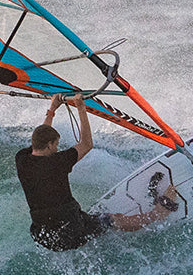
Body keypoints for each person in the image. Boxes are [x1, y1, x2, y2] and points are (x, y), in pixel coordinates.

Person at [15, 93, 178, 251]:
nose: (57, 148)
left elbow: (41, 137)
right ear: (50, 145)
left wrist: (52, 110)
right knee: (114, 220)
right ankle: (157, 214)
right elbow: (86, 144)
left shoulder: (22, 159)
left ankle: (93, 230)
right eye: (56, 144)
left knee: (89, 220)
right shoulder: (57, 162)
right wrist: (81, 108)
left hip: (44, 235)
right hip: (71, 232)